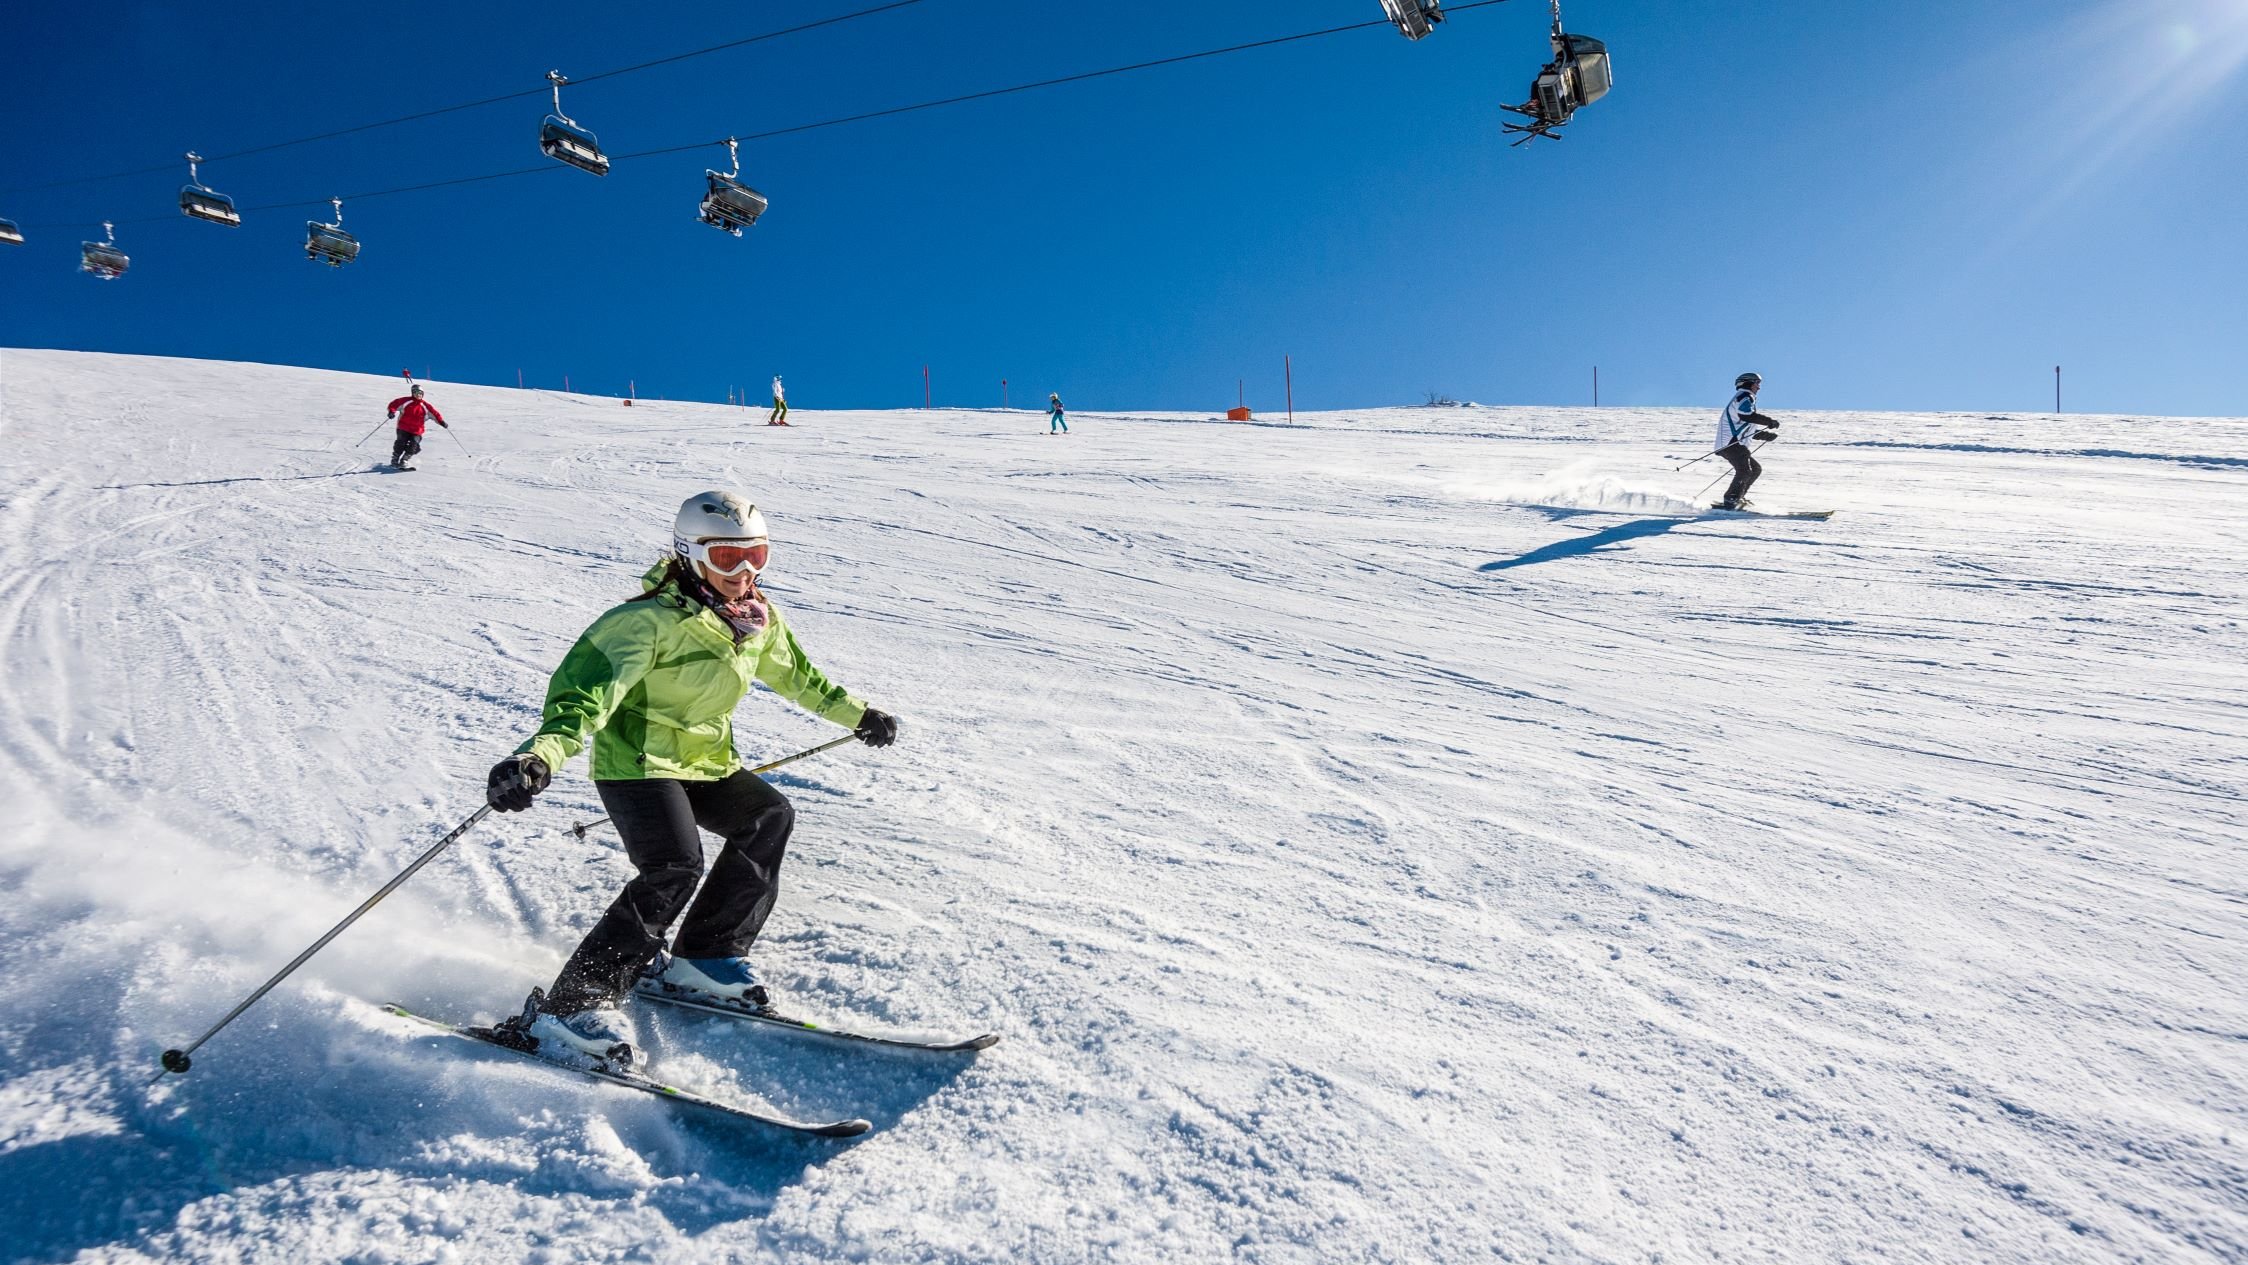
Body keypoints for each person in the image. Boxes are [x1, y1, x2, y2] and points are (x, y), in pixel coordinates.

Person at [483, 489, 899, 1064]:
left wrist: (860, 714)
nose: (746, 571)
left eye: (757, 555)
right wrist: (539, 756)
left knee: (768, 817)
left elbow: (800, 677)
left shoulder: (757, 621)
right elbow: (584, 698)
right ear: (690, 553)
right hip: (637, 763)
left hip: (705, 760)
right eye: (729, 558)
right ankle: (570, 1008)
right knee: (674, 867)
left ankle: (703, 958)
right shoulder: (642, 622)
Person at [1712, 372, 1779, 509]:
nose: (1759, 387)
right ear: (1748, 383)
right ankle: (1731, 500)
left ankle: (1737, 498)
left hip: (1733, 443)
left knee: (1755, 469)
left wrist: (1765, 435)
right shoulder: (1744, 396)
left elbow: (1746, 429)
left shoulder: (1745, 398)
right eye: (1757, 383)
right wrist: (1768, 421)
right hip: (1730, 444)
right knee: (1745, 470)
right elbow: (1746, 416)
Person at [385, 383, 447, 470]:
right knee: (401, 442)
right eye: (416, 393)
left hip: (417, 430)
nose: (418, 395)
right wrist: (391, 412)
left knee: (414, 445)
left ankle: (404, 460)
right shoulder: (406, 401)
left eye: (420, 393)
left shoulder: (425, 406)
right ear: (412, 393)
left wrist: (441, 421)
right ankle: (395, 459)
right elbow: (394, 404)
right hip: (403, 427)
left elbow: (435, 414)